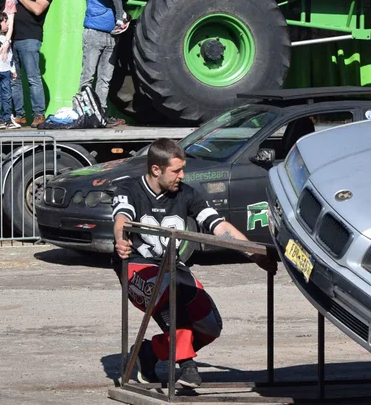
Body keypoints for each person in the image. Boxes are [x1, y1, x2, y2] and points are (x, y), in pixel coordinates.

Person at [111, 138, 275, 387]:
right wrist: (120, 239)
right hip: (137, 267)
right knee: (170, 292)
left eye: (182, 169)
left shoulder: (186, 193)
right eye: (176, 170)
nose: (182, 175)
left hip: (171, 268)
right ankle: (187, 366)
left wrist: (254, 254)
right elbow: (122, 218)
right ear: (156, 169)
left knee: (210, 325)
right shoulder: (129, 189)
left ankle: (148, 353)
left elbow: (218, 225)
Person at [80, 0, 127, 124]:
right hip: (94, 33)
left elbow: (122, 0)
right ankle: (84, 113)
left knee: (105, 79)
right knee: (88, 75)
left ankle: (101, 115)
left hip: (113, 35)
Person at [6, 0, 53, 127]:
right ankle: (19, 115)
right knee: (15, 79)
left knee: (33, 78)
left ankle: (39, 114)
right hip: (13, 38)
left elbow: (37, 9)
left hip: (30, 38)